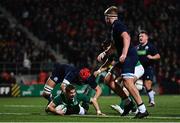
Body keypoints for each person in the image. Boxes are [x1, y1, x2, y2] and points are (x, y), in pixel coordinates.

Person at [97, 6, 149, 118]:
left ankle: (142, 109)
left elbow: (126, 37)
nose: (104, 20)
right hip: (125, 56)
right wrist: (105, 53)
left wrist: (124, 53)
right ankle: (128, 103)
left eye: (105, 17)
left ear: (108, 17)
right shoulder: (114, 27)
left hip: (129, 55)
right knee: (108, 79)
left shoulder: (117, 25)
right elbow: (114, 44)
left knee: (127, 82)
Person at [136, 30, 160, 107]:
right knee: (134, 84)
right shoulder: (137, 47)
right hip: (138, 69)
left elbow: (158, 56)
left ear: (147, 37)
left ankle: (152, 101)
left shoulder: (150, 46)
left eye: (142, 36)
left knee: (147, 84)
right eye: (139, 36)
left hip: (147, 68)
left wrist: (152, 57)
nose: (140, 37)